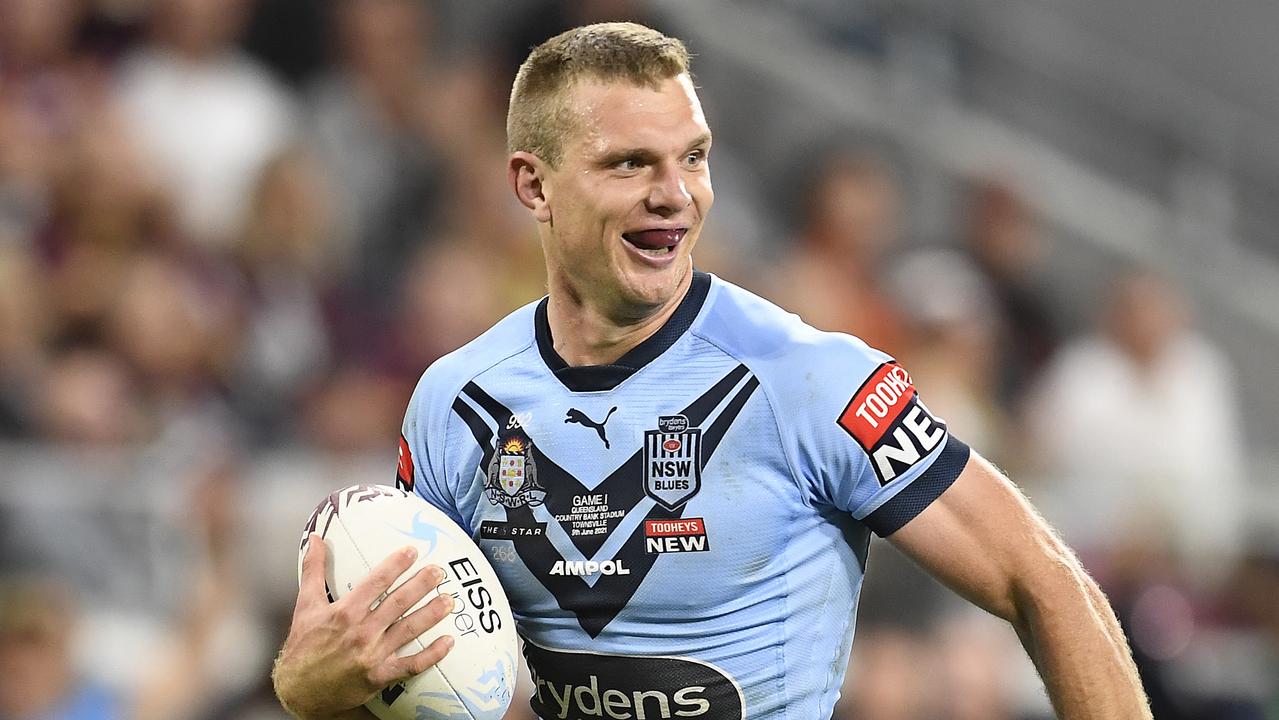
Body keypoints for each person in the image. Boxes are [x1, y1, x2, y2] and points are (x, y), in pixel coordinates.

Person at [272, 22, 1151, 719]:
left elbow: (1043, 580)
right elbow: (415, 686)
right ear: (533, 186)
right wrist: (312, 693)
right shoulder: (455, 405)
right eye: (630, 163)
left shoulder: (809, 381)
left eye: (691, 156)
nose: (676, 194)